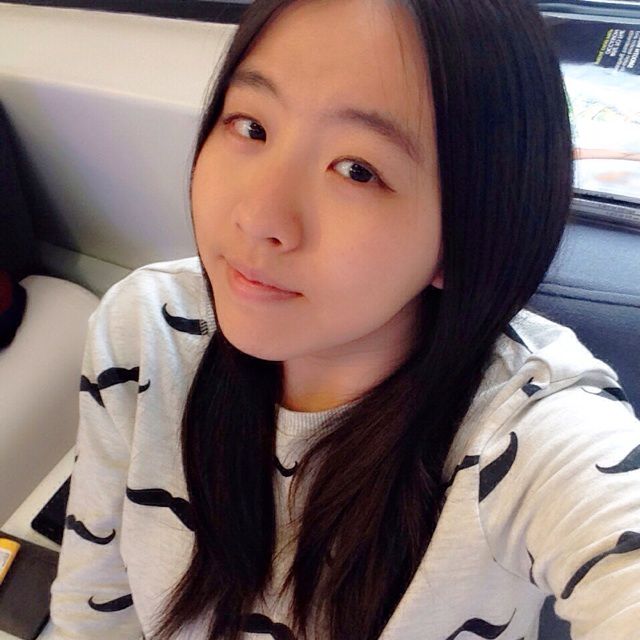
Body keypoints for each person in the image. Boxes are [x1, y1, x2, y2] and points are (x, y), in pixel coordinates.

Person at [48, 0, 640, 638]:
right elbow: (92, 606)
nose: (259, 218)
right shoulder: (145, 329)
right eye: (251, 126)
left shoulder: (527, 436)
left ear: (467, 230)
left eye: (357, 171)